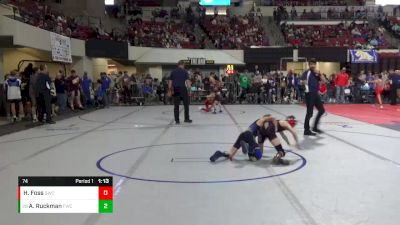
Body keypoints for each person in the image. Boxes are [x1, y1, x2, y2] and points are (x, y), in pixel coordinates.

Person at [210, 115, 299, 165]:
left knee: (231, 153)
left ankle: (220, 153)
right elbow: (271, 118)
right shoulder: (261, 120)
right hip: (249, 136)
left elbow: (262, 141)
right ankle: (250, 148)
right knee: (257, 156)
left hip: (243, 135)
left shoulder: (259, 125)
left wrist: (232, 155)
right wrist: (274, 125)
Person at [301, 58, 326, 135]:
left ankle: (315, 127)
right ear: (309, 65)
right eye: (311, 64)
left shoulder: (317, 73)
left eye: (313, 64)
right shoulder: (306, 72)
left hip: (316, 94)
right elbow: (303, 82)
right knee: (309, 113)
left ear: (315, 64)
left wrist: (319, 74)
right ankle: (306, 130)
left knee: (321, 110)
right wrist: (304, 84)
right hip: (309, 94)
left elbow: (324, 81)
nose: (312, 65)